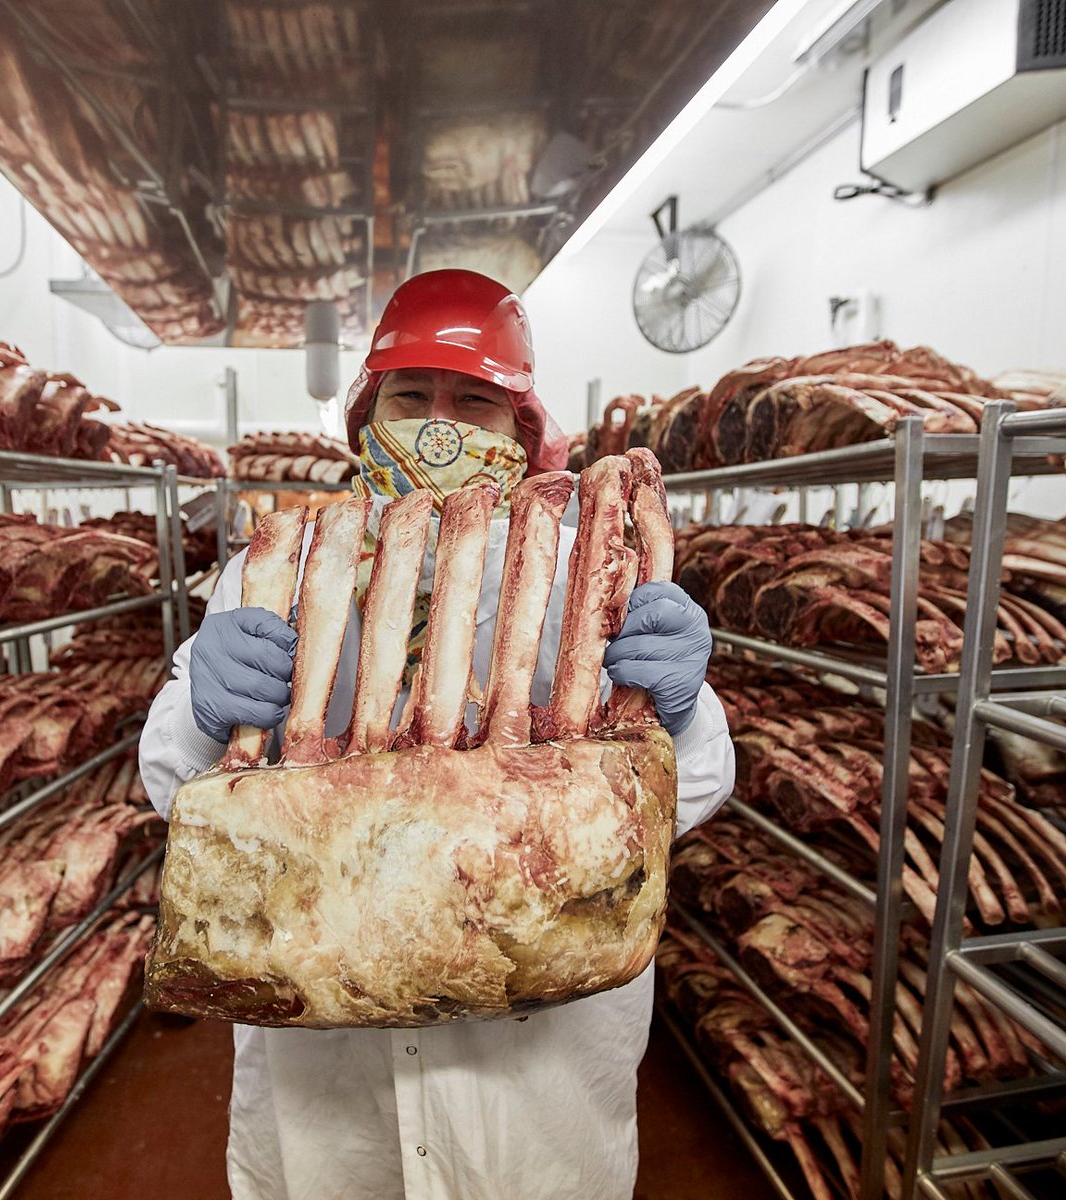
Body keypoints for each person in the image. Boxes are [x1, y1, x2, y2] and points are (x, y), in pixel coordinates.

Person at [139, 269, 735, 1200]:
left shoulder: (588, 571)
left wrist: (684, 716)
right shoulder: (277, 567)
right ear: (367, 419)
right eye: (411, 397)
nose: (439, 426)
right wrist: (199, 719)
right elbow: (174, 789)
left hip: (533, 1066)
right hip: (325, 1044)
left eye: (475, 402)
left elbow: (688, 793)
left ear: (521, 432)